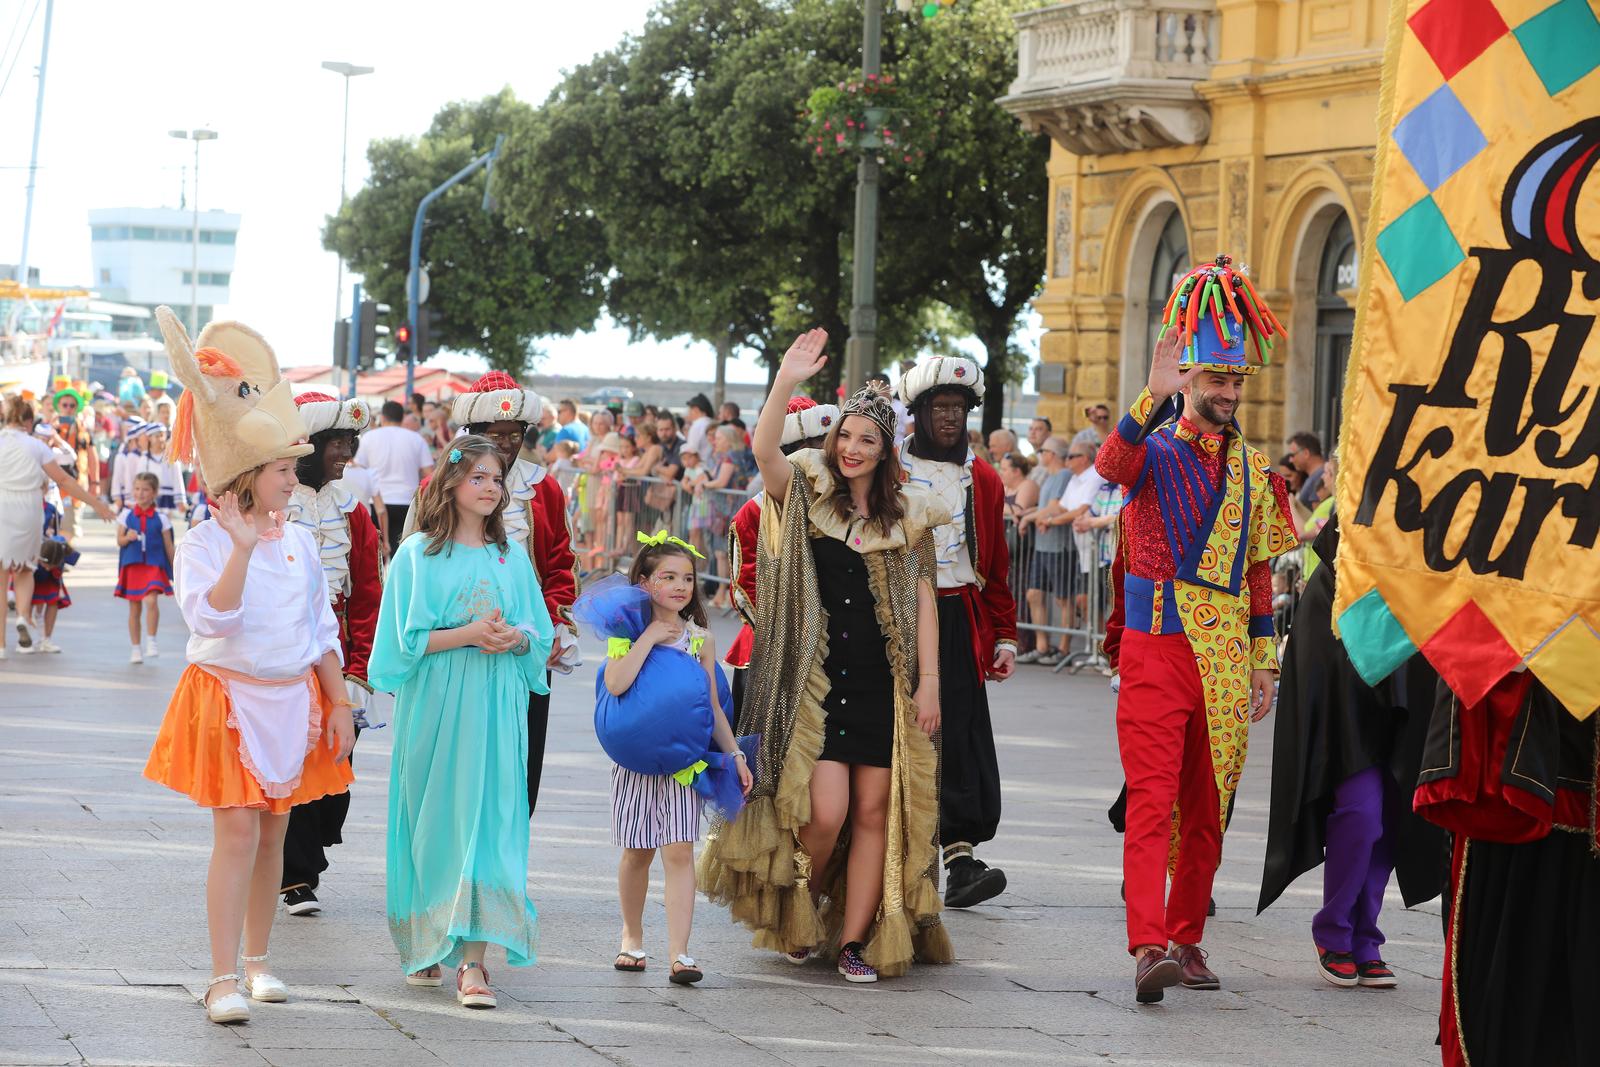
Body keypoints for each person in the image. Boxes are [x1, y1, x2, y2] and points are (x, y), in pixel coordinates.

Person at [699, 329, 950, 984]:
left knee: (875, 813)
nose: (853, 448)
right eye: (846, 438)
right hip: (819, 682)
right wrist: (785, 379)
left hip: (886, 685)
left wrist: (931, 687)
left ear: (885, 449)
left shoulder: (911, 515)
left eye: (867, 439)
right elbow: (762, 449)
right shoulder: (807, 493)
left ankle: (856, 940)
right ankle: (802, 903)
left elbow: (926, 602)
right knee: (827, 812)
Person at [140, 308, 356, 1024]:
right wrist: (238, 546)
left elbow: (320, 629)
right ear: (249, 472)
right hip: (228, 697)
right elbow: (212, 619)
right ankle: (221, 975)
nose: (294, 481)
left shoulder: (298, 544)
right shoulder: (204, 541)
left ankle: (261, 961)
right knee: (235, 830)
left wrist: (342, 706)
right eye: (284, 470)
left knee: (273, 831)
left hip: (292, 700)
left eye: (293, 469)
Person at [1093, 256, 1297, 1003]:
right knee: (1151, 801)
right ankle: (1147, 944)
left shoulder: (1254, 469)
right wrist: (1149, 394)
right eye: (1217, 377)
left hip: (1223, 659)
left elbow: (1257, 575)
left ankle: (1187, 936)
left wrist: (1264, 662)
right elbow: (1111, 464)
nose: (1228, 390)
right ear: (1192, 379)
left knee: (1210, 806)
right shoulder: (1152, 449)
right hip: (1155, 648)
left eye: (1237, 380)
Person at [368, 436, 553, 1009]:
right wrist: (471, 634)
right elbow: (405, 642)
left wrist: (515, 637)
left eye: (497, 478)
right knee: (436, 820)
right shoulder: (418, 554)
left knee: (492, 820)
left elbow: (538, 632)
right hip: (438, 705)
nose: (491, 488)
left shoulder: (511, 556)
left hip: (497, 705)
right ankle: (426, 940)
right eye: (479, 477)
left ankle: (474, 963)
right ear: (450, 484)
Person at [1258, 512, 1444, 990]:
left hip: (1407, 701)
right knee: (1361, 815)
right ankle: (1333, 931)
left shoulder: (1430, 546)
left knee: (1392, 821)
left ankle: (1367, 940)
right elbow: (1319, 658)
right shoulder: (1334, 570)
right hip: (1351, 716)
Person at [592, 539, 751, 984]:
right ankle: (631, 936)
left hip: (685, 764)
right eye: (668, 577)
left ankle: (680, 953)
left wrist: (735, 753)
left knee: (680, 850)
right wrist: (647, 638)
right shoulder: (626, 634)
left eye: (687, 578)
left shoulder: (700, 638)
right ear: (645, 583)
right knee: (638, 853)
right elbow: (618, 684)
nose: (681, 586)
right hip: (636, 766)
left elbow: (713, 707)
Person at [897, 355, 1019, 907]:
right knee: (904, 728)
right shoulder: (888, 470)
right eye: (939, 408)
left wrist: (1004, 634)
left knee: (963, 735)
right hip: (896, 614)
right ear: (919, 414)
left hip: (959, 615)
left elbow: (995, 562)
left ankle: (961, 858)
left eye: (959, 409)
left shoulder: (985, 479)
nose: (950, 418)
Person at [439, 373, 580, 815]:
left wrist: (558, 623)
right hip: (462, 639)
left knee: (524, 745)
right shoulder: (440, 486)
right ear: (473, 436)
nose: (506, 445)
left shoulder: (545, 487)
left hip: (528, 636)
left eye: (514, 436)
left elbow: (562, 560)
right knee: (463, 750)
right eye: (496, 436)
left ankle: (512, 837)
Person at [278, 393, 383, 917]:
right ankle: (295, 876)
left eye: (350, 443)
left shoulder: (354, 510)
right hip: (282, 659)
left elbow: (367, 592)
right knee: (293, 761)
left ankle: (305, 858)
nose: (346, 454)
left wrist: (360, 667)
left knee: (336, 771)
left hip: (338, 662)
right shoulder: (272, 499)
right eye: (337, 443)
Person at [725, 398, 839, 720]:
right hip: (774, 649)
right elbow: (746, 588)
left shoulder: (842, 506)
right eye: (812, 447)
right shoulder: (753, 512)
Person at [2, 394, 115, 658]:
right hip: (29, 509)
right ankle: (21, 615)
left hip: (2, 507)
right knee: (25, 570)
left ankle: (1, 646)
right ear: (29, 421)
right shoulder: (37, 447)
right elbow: (65, 480)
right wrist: (96, 504)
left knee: (2, 572)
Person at [1015, 437, 1078, 666]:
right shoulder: (1051, 477)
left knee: (1062, 598)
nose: (1040, 454)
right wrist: (1028, 514)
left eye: (1043, 450)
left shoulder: (1063, 475)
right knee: (1034, 594)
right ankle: (1042, 645)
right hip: (1043, 545)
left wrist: (1029, 517)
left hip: (1059, 546)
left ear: (1051, 453)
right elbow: (1044, 508)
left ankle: (1064, 648)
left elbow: (1055, 507)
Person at [357, 401, 432, 555]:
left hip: (376, 502)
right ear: (402, 417)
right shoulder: (416, 439)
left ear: (382, 417)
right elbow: (429, 474)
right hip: (407, 502)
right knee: (403, 552)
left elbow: (359, 469)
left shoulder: (369, 437)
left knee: (375, 554)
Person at [116, 472, 176, 663]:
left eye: (145, 490)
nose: (140, 493)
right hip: (133, 565)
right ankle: (135, 648)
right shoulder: (126, 515)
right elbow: (119, 540)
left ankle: (151, 640)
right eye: (137, 489)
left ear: (154, 492)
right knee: (134, 609)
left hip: (153, 565)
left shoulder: (162, 518)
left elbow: (169, 546)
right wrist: (128, 538)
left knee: (151, 601)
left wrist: (177, 569)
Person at [25, 500, 76, 654]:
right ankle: (27, 638)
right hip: (32, 559)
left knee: (52, 601)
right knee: (30, 602)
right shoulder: (24, 505)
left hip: (52, 553)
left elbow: (63, 531)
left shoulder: (52, 508)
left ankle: (46, 639)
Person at [1285, 431, 1326, 510]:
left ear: (1306, 453)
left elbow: (1319, 519)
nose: (1291, 460)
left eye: (1293, 455)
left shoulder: (1320, 476)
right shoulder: (1318, 475)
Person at [683, 394, 715, 464]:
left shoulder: (697, 425)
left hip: (699, 468)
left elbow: (691, 451)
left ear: (696, 409)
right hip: (711, 466)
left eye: (690, 410)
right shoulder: (712, 423)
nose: (688, 413)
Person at [1025, 417, 1052, 486]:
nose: (1033, 432)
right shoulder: (1031, 456)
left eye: (1039, 429)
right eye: (1030, 429)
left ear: (1048, 434)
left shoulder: (1051, 457)